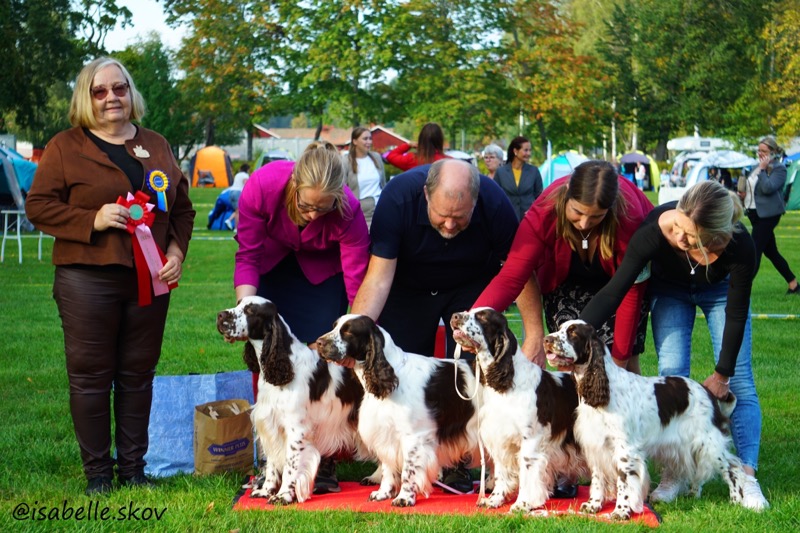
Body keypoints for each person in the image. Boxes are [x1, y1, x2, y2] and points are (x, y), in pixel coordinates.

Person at [24, 57, 195, 495]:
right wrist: (92, 218)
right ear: (86, 97)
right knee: (90, 377)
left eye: (118, 89)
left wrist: (175, 250)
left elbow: (181, 208)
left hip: (150, 281)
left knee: (139, 375)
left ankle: (134, 472)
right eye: (99, 92)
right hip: (87, 279)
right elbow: (38, 207)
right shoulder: (65, 146)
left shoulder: (156, 143)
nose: (111, 98)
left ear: (130, 92)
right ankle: (99, 475)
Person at [580, 180, 769, 507]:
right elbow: (615, 290)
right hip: (670, 292)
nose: (679, 237)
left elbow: (736, 314)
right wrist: (579, 330)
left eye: (691, 235)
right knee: (671, 374)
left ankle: (746, 477)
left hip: (719, 291)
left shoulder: (740, 246)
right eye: (678, 225)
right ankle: (675, 474)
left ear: (715, 235)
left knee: (740, 378)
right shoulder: (653, 231)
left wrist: (721, 374)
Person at [346, 158, 520, 494]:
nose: (451, 225)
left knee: (474, 376)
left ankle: (460, 461)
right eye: (443, 215)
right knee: (399, 375)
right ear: (426, 195)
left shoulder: (496, 202)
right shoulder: (397, 199)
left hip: (471, 285)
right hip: (408, 288)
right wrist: (357, 334)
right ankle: (392, 461)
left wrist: (533, 333)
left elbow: (517, 269)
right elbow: (379, 278)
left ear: (476, 201)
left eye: (461, 217)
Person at [234, 141, 370, 494]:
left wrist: (351, 334)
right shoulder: (262, 185)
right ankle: (273, 458)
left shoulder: (350, 211)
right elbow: (247, 253)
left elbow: (356, 278)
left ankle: (324, 459)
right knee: (268, 359)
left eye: (323, 210)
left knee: (323, 364)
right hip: (271, 267)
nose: (312, 216)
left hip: (323, 278)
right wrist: (245, 314)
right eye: (306, 205)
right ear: (294, 183)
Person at [474, 160, 654, 373]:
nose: (585, 223)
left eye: (597, 216)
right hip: (565, 283)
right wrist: (473, 321)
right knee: (568, 361)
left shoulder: (630, 217)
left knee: (623, 368)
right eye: (577, 212)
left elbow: (630, 292)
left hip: (619, 287)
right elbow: (512, 276)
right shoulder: (543, 212)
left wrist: (619, 363)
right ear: (568, 193)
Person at [738, 135, 799, 294]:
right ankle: (793, 284)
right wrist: (743, 194)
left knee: (754, 249)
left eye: (764, 151)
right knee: (771, 252)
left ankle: (743, 286)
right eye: (759, 150)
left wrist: (763, 170)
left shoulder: (780, 168)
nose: (760, 153)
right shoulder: (755, 167)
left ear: (772, 152)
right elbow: (753, 188)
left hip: (769, 215)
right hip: (755, 214)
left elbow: (768, 188)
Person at [343, 127, 387, 227]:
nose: (369, 142)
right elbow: (343, 189)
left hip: (380, 208)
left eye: (370, 138)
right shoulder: (346, 161)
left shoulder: (376, 157)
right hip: (361, 212)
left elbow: (383, 184)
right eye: (365, 139)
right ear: (354, 141)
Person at [493, 136, 543, 220]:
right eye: (526, 150)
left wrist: (534, 211)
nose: (529, 153)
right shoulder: (501, 172)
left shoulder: (534, 171)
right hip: (507, 219)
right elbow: (495, 197)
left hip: (529, 219)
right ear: (515, 151)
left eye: (530, 150)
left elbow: (540, 197)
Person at [224, 163, 251, 230]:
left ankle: (229, 220)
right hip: (238, 193)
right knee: (239, 211)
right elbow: (246, 184)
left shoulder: (237, 175)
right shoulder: (245, 175)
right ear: (247, 169)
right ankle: (236, 228)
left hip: (231, 192)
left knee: (238, 210)